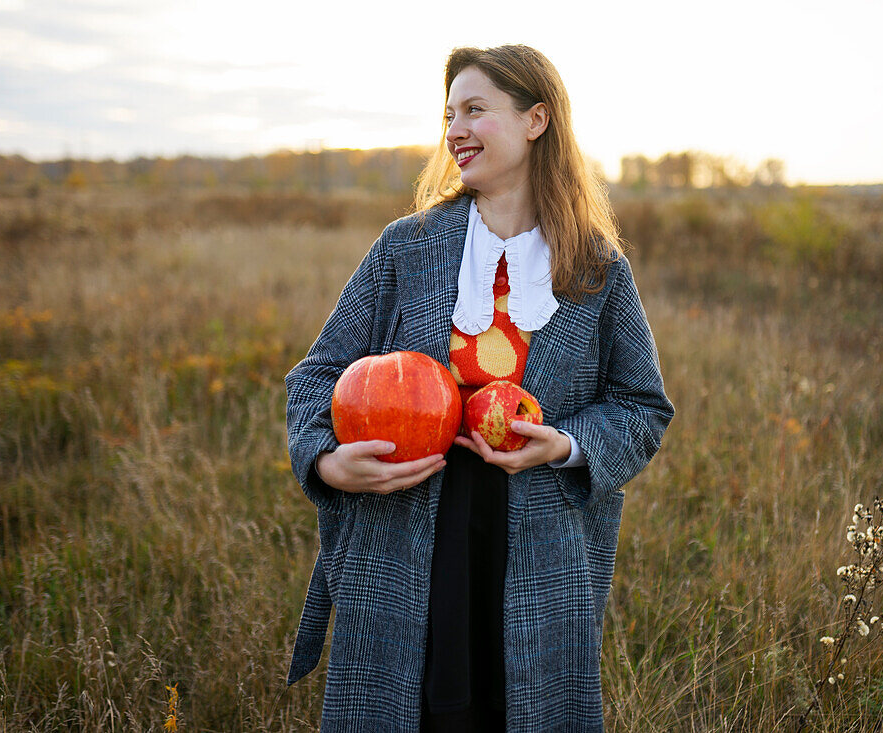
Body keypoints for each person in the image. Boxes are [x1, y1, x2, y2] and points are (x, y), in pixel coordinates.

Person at [284, 44, 673, 732]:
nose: (455, 129)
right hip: (404, 529)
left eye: (475, 110)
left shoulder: (595, 266)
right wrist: (324, 458)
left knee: (518, 711)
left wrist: (566, 443)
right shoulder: (406, 247)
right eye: (448, 115)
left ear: (536, 120)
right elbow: (318, 373)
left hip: (538, 545)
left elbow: (642, 406)